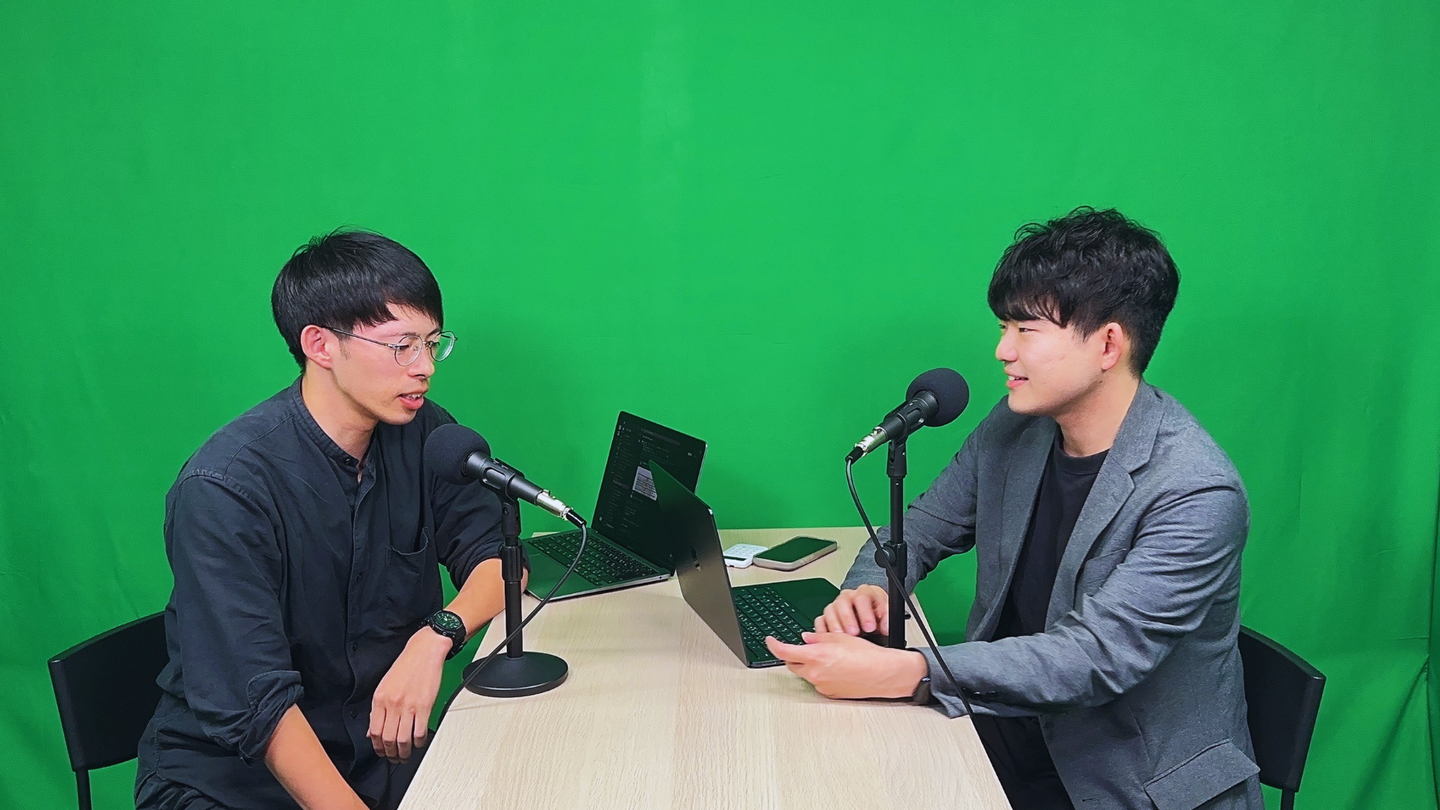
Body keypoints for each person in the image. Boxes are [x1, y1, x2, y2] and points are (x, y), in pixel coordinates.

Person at [766, 208, 1262, 809]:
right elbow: (920, 528)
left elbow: (1095, 657)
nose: (1002, 350)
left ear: (1108, 344)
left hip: (1122, 782)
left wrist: (908, 670)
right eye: (1004, 327)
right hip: (1003, 732)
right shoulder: (1015, 425)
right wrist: (871, 587)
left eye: (1026, 330)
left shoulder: (1196, 491)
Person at [135, 230, 511, 810]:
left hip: (374, 759)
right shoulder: (224, 488)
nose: (425, 368)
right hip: (234, 783)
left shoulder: (426, 433)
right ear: (320, 345)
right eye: (402, 346)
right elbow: (257, 705)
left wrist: (436, 637)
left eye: (433, 343)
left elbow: (498, 559)